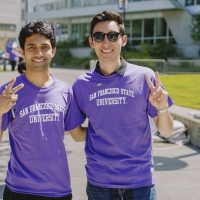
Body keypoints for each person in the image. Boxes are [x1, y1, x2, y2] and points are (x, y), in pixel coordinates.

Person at [72, 10, 174, 200]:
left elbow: (167, 131)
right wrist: (110, 132)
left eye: (112, 36)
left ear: (123, 40)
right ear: (91, 41)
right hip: (99, 182)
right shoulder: (81, 84)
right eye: (99, 36)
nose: (106, 42)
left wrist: (162, 107)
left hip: (140, 181)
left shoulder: (145, 77)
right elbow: (77, 135)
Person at [0, 19, 86, 200]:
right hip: (19, 190)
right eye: (31, 47)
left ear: (53, 51)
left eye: (44, 47)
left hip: (59, 189)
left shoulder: (65, 91)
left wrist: (118, 125)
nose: (38, 53)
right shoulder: (6, 92)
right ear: (22, 52)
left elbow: (78, 135)